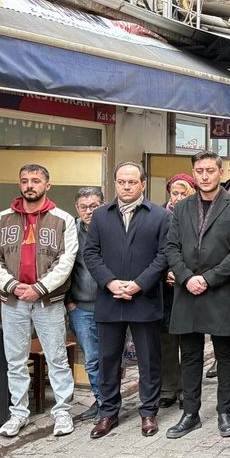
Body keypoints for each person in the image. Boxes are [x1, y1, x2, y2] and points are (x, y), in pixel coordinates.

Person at [0, 164, 77, 437]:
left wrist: (39, 288)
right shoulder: (1, 219)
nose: (29, 185)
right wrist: (13, 286)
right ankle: (18, 413)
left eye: (36, 180)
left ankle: (62, 412)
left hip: (48, 301)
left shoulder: (63, 220)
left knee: (57, 358)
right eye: (24, 181)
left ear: (48, 185)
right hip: (13, 302)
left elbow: (66, 260)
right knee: (15, 360)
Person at [164, 150, 230, 439]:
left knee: (226, 354)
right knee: (189, 355)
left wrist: (208, 279)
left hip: (221, 290)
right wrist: (188, 278)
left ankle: (224, 411)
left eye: (210, 170)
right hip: (187, 290)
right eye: (199, 170)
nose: (204, 175)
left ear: (220, 172)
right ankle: (191, 413)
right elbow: (171, 248)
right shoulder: (182, 207)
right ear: (194, 173)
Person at [84, 162, 171, 438]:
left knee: (148, 359)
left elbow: (164, 255)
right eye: (121, 181)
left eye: (132, 182)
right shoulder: (100, 216)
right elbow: (91, 254)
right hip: (109, 299)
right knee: (108, 359)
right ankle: (108, 412)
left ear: (143, 184)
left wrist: (138, 285)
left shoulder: (159, 216)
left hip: (143, 299)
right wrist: (110, 282)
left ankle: (148, 412)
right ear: (115, 183)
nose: (126, 186)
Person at [66, 186, 105, 421]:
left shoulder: (113, 228)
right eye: (84, 207)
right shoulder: (69, 230)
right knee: (91, 358)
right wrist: (70, 302)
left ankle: (110, 402)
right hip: (81, 307)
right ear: (77, 209)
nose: (89, 211)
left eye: (94, 206)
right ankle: (101, 402)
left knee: (110, 358)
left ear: (103, 204)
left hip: (110, 306)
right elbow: (63, 268)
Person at [160, 174, 196, 407]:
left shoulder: (196, 216)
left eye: (184, 193)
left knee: (189, 341)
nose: (179, 197)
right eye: (175, 193)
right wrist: (164, 273)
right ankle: (167, 388)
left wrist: (183, 274)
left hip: (189, 285)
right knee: (166, 340)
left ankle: (187, 389)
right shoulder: (159, 217)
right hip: (164, 288)